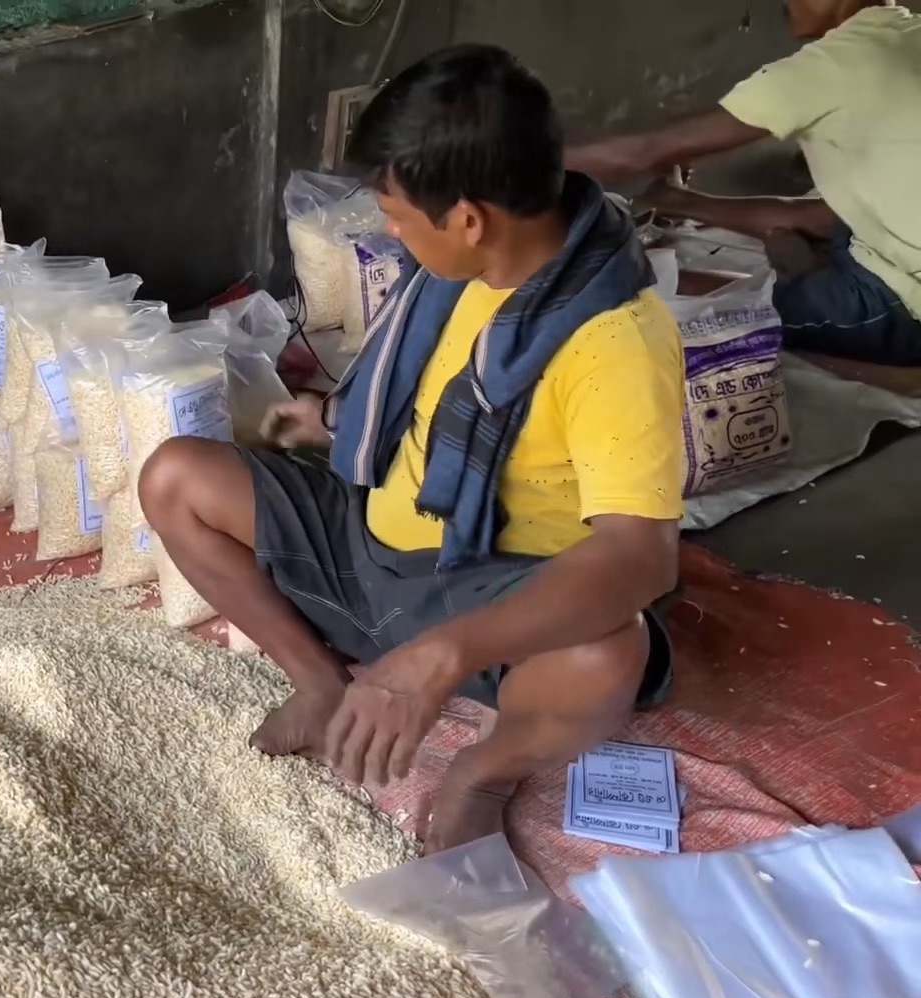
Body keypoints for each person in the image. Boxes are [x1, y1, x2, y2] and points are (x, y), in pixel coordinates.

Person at [140, 45, 685, 850]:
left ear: (468, 219)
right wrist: (335, 422)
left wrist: (439, 657)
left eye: (396, 215)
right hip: (372, 538)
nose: (387, 230)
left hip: (485, 591)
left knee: (614, 651)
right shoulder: (466, 270)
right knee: (175, 477)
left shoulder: (615, 344)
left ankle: (484, 772)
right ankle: (320, 678)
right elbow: (432, 402)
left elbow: (641, 559)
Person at [567, 0, 921, 368]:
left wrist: (521, 166)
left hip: (905, 307)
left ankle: (814, 294)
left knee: (680, 302)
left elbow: (644, 153)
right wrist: (680, 201)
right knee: (825, 219)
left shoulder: (839, 64)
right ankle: (685, 204)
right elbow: (827, 216)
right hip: (883, 246)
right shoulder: (906, 37)